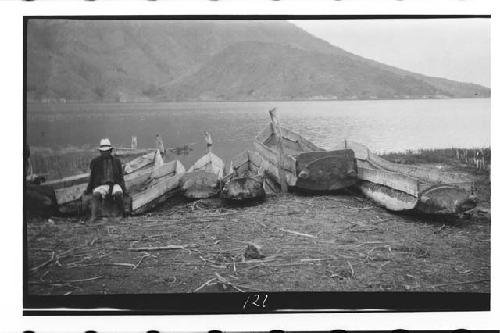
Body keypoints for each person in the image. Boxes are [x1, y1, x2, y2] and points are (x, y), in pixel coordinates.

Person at [85, 138, 127, 222]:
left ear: (110, 151)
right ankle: (94, 216)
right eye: (103, 151)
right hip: (101, 185)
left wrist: (125, 191)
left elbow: (120, 177)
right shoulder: (95, 162)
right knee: (96, 194)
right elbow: (92, 177)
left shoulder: (116, 161)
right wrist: (88, 190)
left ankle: (121, 214)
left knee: (118, 194)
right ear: (100, 151)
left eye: (107, 151)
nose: (105, 152)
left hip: (114, 184)